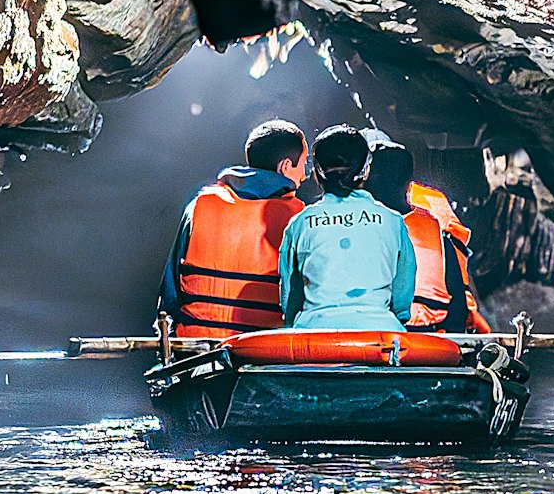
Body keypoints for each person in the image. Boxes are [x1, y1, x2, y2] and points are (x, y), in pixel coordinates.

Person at [162, 120, 309, 336]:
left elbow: (169, 294)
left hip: (197, 354)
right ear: (286, 166)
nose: (305, 175)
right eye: (304, 164)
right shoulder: (298, 217)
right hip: (264, 356)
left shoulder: (200, 205)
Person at [278, 128, 415, 328]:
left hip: (313, 339)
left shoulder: (300, 223)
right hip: (378, 339)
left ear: (316, 172)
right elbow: (401, 303)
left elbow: (289, 299)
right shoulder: (393, 221)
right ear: (366, 170)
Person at [367, 140, 481, 332]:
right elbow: (458, 304)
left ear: (371, 178)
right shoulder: (437, 230)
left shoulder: (356, 227)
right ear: (409, 182)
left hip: (379, 333)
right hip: (431, 333)